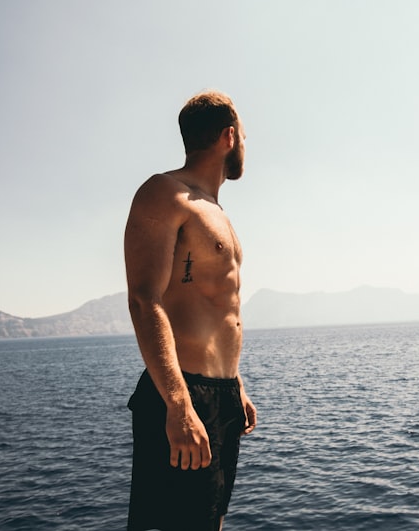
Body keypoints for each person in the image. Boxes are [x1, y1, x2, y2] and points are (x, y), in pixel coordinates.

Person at [124, 91, 257, 531]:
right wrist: (178, 404)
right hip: (182, 392)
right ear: (229, 137)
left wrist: (234, 383)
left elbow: (219, 306)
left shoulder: (217, 211)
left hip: (219, 396)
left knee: (209, 522)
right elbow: (145, 299)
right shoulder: (167, 193)